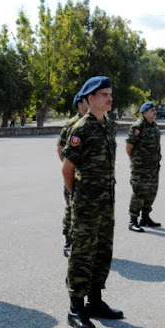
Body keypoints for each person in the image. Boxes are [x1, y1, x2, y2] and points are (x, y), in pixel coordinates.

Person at [61, 76, 123, 328]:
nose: (110, 98)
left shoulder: (108, 125)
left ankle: (95, 301)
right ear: (90, 98)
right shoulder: (81, 129)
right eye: (104, 94)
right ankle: (76, 307)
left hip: (106, 203)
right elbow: (67, 169)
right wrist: (78, 195)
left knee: (102, 252)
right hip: (86, 204)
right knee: (82, 254)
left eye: (110, 93)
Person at [57, 91, 89, 257]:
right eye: (86, 100)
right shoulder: (72, 124)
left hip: (88, 177)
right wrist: (68, 165)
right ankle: (69, 241)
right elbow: (60, 147)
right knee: (71, 209)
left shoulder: (94, 122)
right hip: (74, 174)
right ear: (79, 104)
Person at [126, 101, 162, 232]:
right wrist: (136, 161)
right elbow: (129, 147)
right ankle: (133, 220)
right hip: (141, 168)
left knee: (151, 192)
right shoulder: (137, 127)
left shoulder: (154, 126)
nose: (154, 112)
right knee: (139, 193)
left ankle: (145, 218)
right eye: (151, 110)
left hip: (153, 167)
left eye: (154, 110)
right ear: (144, 112)